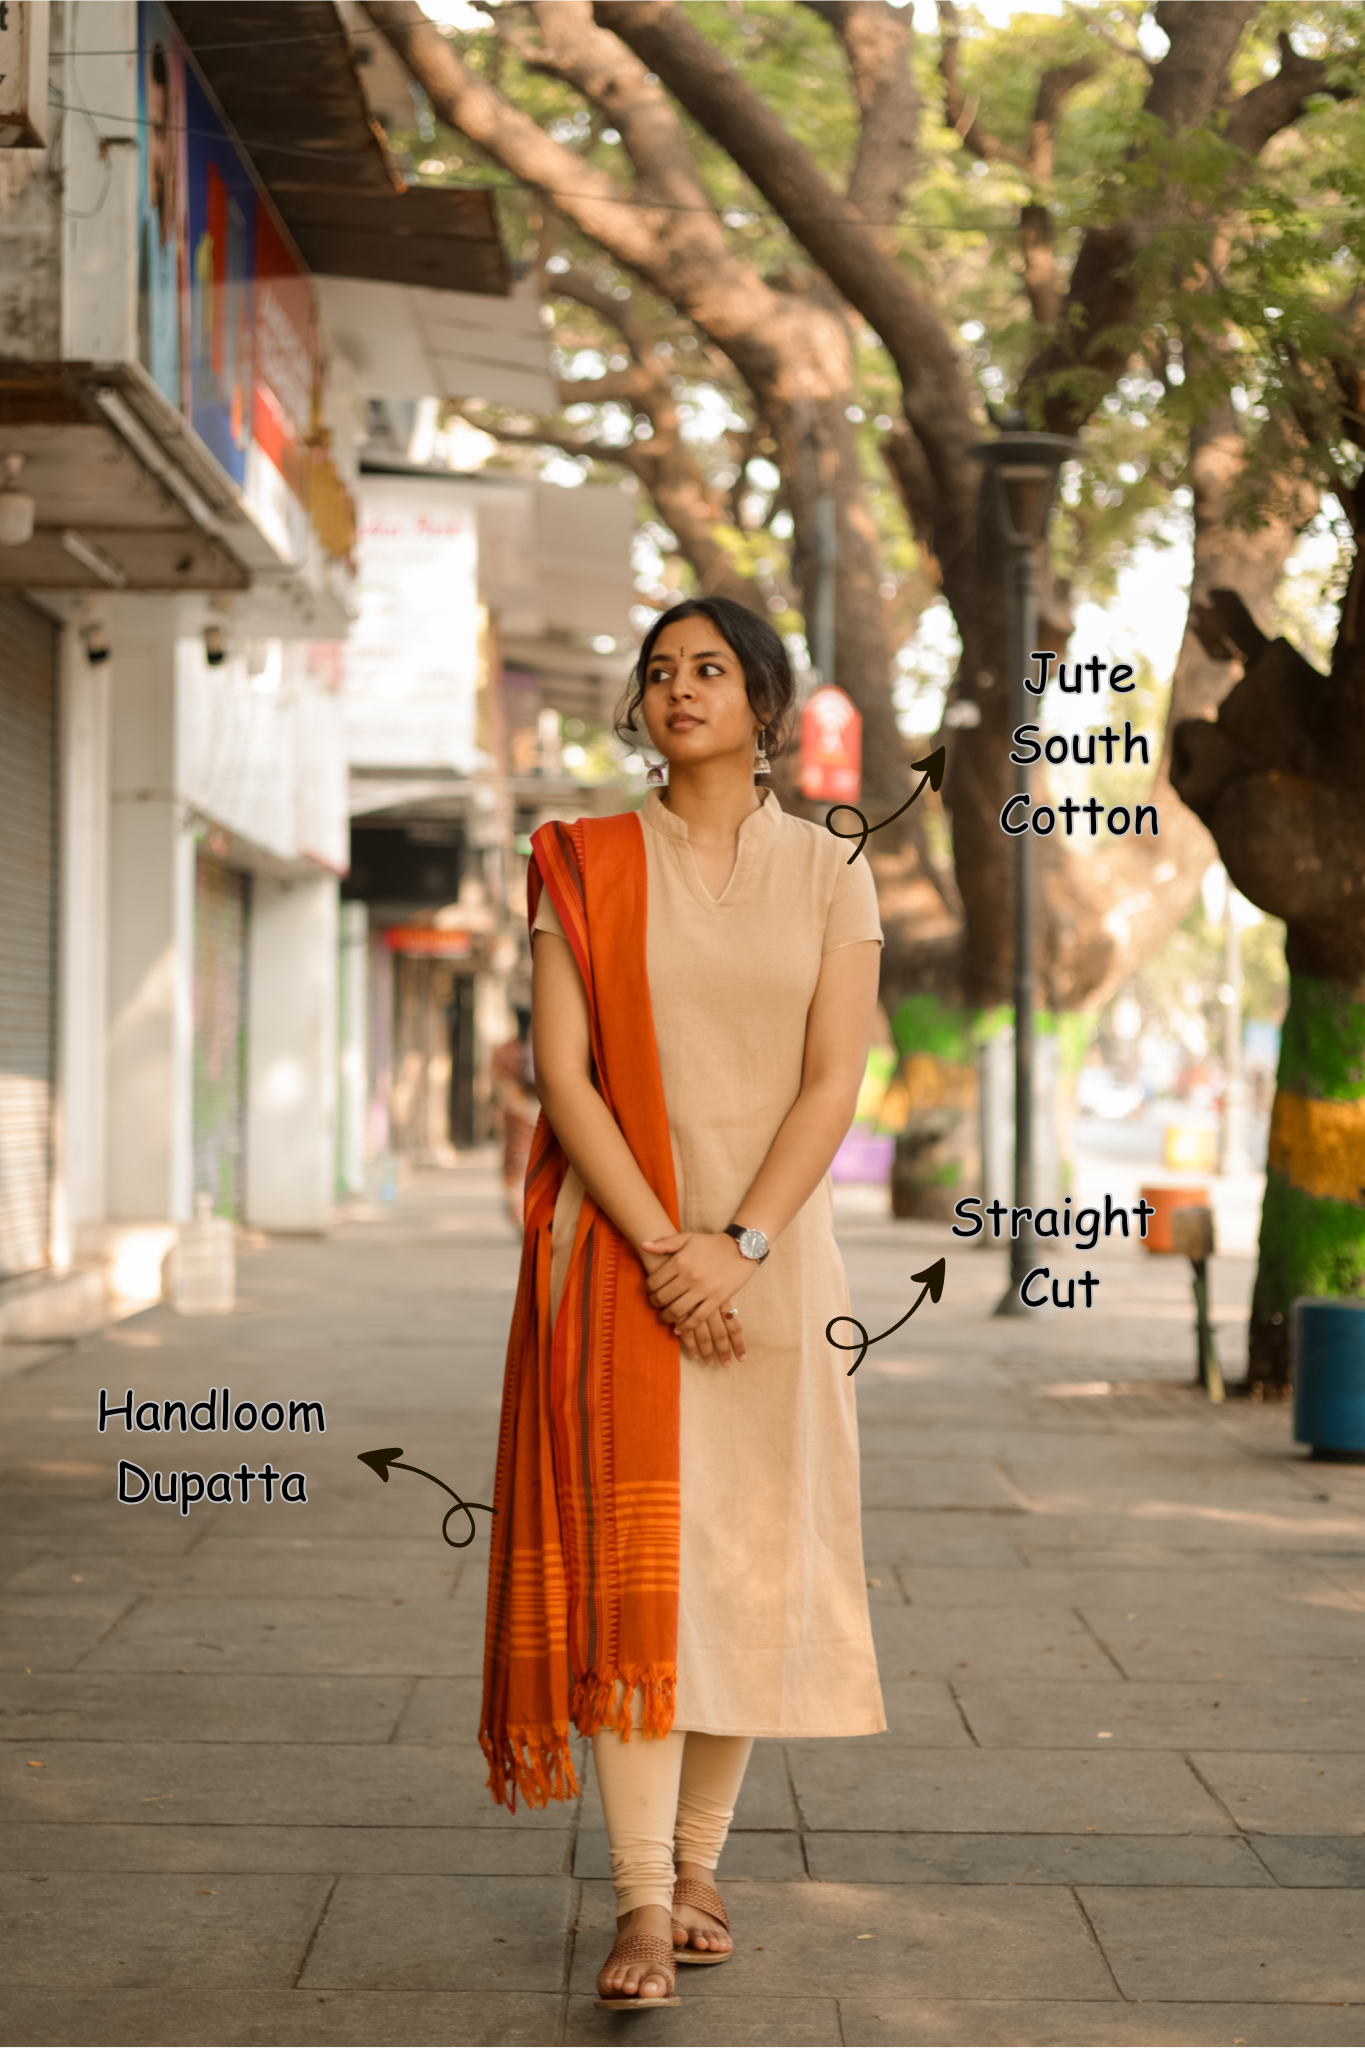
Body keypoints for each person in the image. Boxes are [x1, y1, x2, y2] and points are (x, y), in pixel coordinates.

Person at [479, 597, 885, 2011]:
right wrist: (670, 1249)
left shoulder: (834, 867)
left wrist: (744, 1245)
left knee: (742, 1561)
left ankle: (703, 1860)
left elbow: (834, 1078)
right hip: (621, 1255)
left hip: (773, 1259)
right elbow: (565, 1075)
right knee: (634, 1578)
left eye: (709, 669)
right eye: (658, 673)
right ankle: (644, 1903)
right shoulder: (584, 862)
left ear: (764, 706)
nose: (677, 690)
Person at [490, 1006, 537, 1230]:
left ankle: (519, 1214)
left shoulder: (503, 1051)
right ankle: (526, 1214)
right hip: (538, 1113)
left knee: (516, 1164)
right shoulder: (539, 1048)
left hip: (516, 1114)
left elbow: (500, 1087)